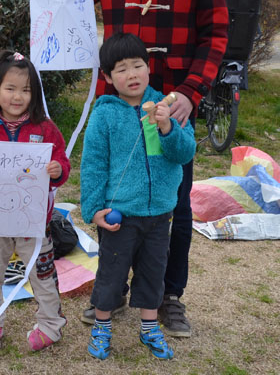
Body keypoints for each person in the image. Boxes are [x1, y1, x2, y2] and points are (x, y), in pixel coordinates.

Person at [33, 0, 229, 337]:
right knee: (113, 195)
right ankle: (111, 288)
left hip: (170, 106)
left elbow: (217, 34)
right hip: (116, 108)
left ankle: (167, 295)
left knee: (172, 204)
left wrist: (189, 93)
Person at [81, 33, 196, 360]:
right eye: (121, 69)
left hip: (160, 213)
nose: (131, 75)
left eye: (137, 66)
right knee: (111, 275)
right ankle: (102, 326)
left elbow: (184, 154)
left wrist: (167, 129)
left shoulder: (167, 105)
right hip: (120, 215)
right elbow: (93, 164)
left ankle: (149, 327)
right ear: (107, 77)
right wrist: (94, 209)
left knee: (152, 272)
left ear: (149, 68)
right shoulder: (104, 114)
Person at [0, 50, 70, 352]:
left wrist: (58, 170)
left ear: (34, 94)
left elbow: (62, 164)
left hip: (34, 223)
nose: (17, 96)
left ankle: (50, 326)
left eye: (26, 90)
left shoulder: (45, 129)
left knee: (43, 275)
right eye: (10, 88)